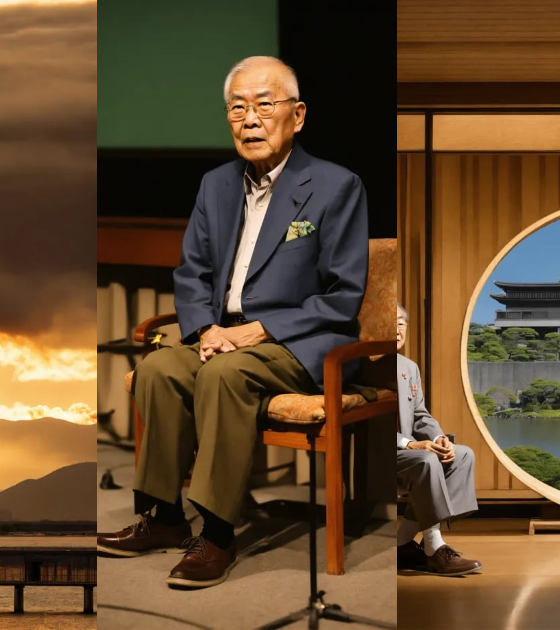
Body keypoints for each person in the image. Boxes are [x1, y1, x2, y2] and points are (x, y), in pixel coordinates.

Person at [97, 56, 369, 589]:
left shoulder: (336, 186)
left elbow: (344, 296)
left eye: (265, 104)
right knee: (158, 369)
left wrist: (257, 331)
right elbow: (192, 273)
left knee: (226, 376)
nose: (250, 118)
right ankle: (167, 517)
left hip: (298, 342)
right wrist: (204, 332)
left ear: (298, 115)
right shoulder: (215, 185)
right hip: (223, 335)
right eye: (237, 107)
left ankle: (219, 533)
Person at [395, 303, 482, 576]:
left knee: (463, 453)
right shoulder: (363, 366)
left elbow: (420, 415)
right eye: (389, 322)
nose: (396, 329)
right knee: (426, 461)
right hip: (377, 451)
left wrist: (439, 438)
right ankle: (434, 548)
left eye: (401, 323)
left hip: (409, 452)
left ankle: (400, 544)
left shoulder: (408, 367)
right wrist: (408, 444)